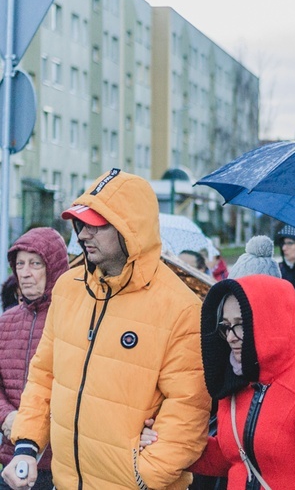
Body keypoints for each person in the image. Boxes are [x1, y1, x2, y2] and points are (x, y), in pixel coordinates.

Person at [1, 169, 211, 490]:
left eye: (95, 225)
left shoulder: (180, 306)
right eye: (79, 224)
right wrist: (27, 448)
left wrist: (144, 475)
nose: (83, 235)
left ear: (130, 228)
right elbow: (44, 376)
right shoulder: (68, 288)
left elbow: (189, 407)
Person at [141, 275, 295, 489]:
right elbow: (230, 456)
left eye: (241, 324)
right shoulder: (236, 380)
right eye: (226, 326)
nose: (231, 336)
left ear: (270, 322)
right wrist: (169, 440)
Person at [0, 228, 69, 490]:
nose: (25, 273)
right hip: (12, 463)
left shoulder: (74, 320)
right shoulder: (6, 321)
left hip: (61, 466)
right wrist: (6, 416)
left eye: (35, 264)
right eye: (20, 264)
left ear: (54, 267)